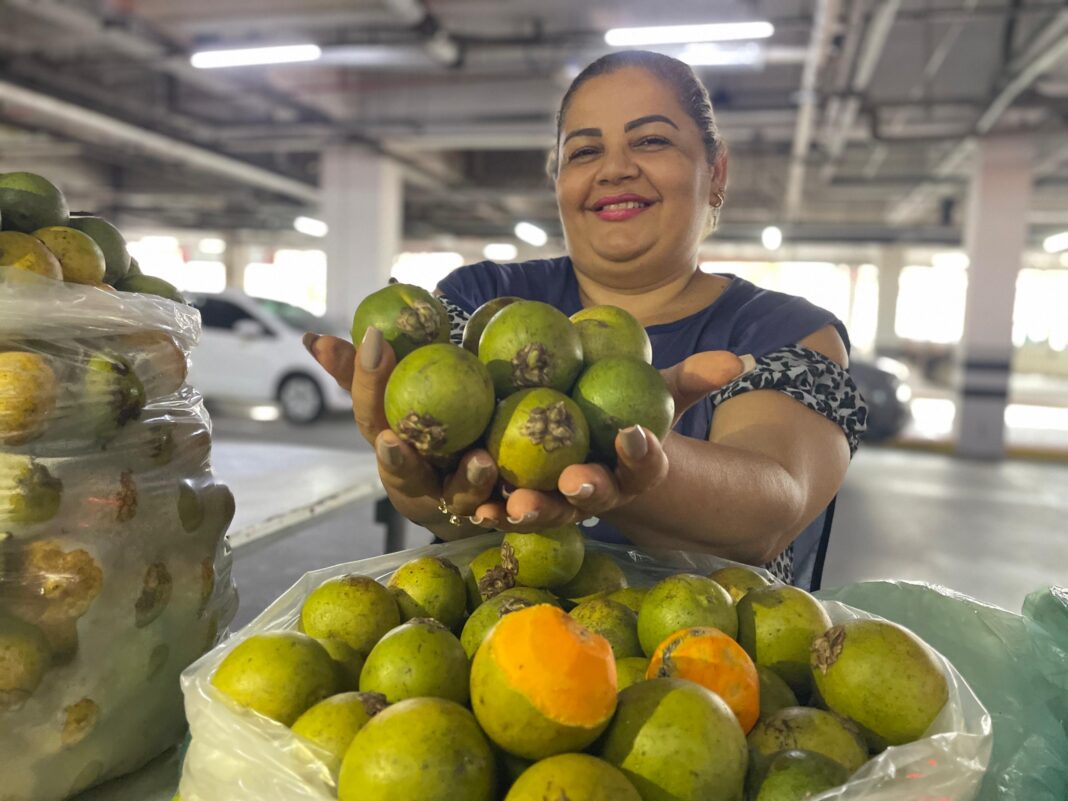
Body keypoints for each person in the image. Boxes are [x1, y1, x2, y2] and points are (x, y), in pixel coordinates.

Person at [305, 50, 867, 590]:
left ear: (716, 170)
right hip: (487, 653)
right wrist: (416, 478)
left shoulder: (785, 330)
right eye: (583, 152)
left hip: (704, 664)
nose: (615, 169)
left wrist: (629, 463)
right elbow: (442, 506)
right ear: (559, 182)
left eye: (650, 140)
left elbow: (769, 511)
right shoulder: (480, 303)